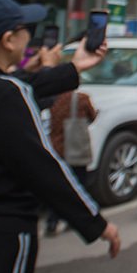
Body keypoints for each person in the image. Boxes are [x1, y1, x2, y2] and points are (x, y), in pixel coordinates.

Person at [0, 0, 121, 273]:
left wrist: (74, 67)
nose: (30, 39)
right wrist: (95, 222)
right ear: (8, 40)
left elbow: (22, 84)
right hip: (4, 233)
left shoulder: (7, 87)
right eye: (26, 30)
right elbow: (43, 169)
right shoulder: (6, 93)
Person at [44, 88, 99, 235]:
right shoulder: (81, 99)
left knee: (57, 188)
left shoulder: (52, 99)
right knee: (79, 185)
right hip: (75, 147)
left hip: (56, 148)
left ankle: (51, 222)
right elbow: (92, 117)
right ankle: (78, 221)